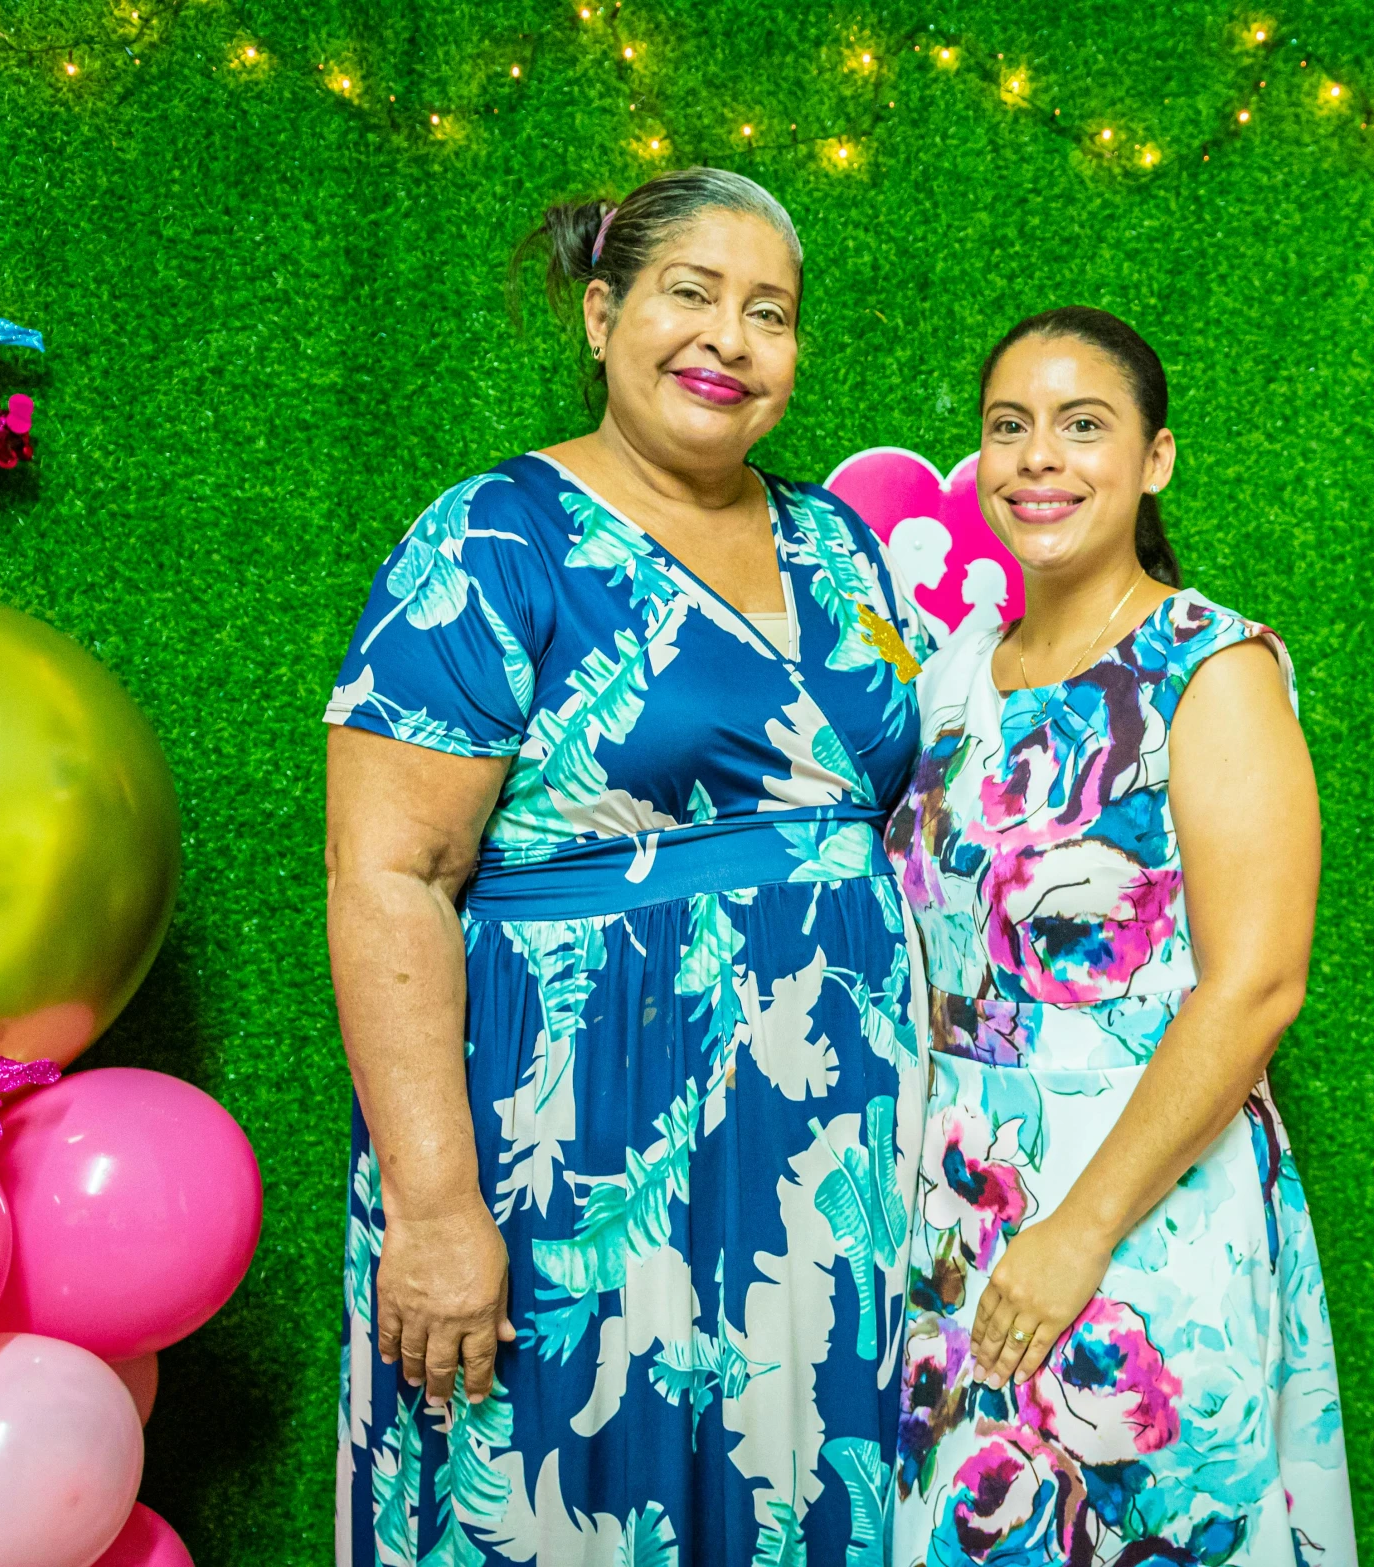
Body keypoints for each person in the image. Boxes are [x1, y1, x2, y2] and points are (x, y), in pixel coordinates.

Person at [324, 167, 934, 1566]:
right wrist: (433, 1209)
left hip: (819, 1174)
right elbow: (389, 875)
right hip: (576, 1163)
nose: (729, 340)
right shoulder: (491, 540)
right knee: (564, 1500)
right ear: (601, 315)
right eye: (689, 294)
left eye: (768, 313)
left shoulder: (836, 544)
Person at [885, 307, 1357, 1564]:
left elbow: (1255, 986)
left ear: (1152, 459)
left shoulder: (1212, 668)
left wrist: (1079, 1230)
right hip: (957, 1208)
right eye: (1009, 427)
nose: (1040, 457)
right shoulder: (950, 676)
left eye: (1082, 426)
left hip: (1140, 1207)